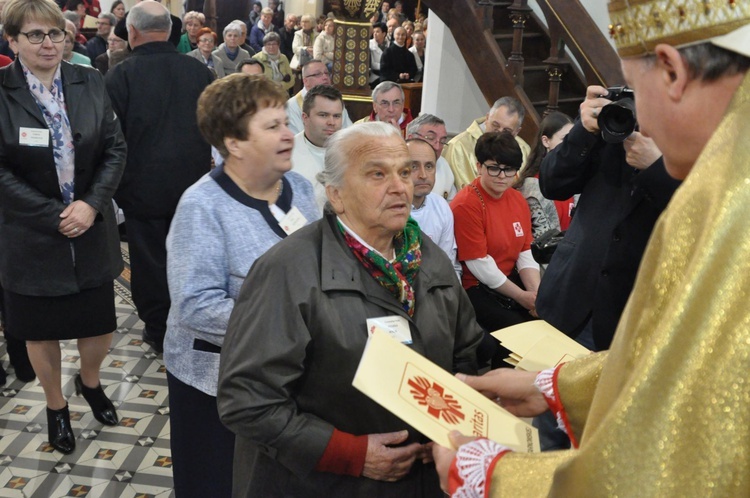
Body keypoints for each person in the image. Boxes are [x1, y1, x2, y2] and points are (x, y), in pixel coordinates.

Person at [433, 4, 750, 497]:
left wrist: (492, 478)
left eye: (633, 87)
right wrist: (559, 388)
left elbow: (678, 459)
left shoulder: (733, 198)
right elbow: (682, 361)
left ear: (671, 71)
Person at [217, 121, 484, 497]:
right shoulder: (288, 271)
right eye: (378, 174)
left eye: (405, 172)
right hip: (323, 483)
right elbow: (247, 401)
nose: (400, 187)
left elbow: (467, 352)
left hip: (423, 479)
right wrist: (352, 454)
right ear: (336, 194)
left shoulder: (427, 257)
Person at [165, 74, 320, 498]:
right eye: (272, 127)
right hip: (217, 383)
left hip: (284, 372)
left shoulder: (300, 189)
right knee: (217, 483)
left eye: (285, 123)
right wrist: (289, 325)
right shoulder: (202, 207)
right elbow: (195, 305)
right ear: (233, 143)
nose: (288, 135)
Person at [0, 0, 126, 454]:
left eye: (56, 33)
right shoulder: (1, 90)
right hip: (30, 234)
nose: (48, 43)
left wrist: (91, 206)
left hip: (90, 226)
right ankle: (56, 406)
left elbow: (115, 149)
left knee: (98, 323)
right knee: (41, 328)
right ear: (12, 41)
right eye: (35, 35)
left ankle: (89, 382)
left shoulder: (89, 80)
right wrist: (54, 213)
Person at [105, 0, 214, 353]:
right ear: (170, 31)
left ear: (132, 32)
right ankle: (193, 323)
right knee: (192, 259)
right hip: (194, 189)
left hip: (141, 192)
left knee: (150, 264)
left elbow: (110, 137)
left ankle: (158, 329)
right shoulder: (199, 72)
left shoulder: (121, 75)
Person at [535, 95, 679, 352]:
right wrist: (583, 130)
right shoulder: (617, 113)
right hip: (569, 293)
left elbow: (704, 216)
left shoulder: (706, 134)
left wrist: (657, 168)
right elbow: (552, 184)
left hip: (630, 313)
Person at [450, 132, 540, 368]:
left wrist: (536, 295)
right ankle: (498, 391)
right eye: (494, 168)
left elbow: (524, 251)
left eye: (509, 169)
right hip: (476, 288)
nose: (502, 176)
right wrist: (522, 297)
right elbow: (480, 264)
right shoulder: (466, 203)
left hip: (508, 279)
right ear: (479, 166)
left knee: (547, 319)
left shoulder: (517, 200)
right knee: (517, 332)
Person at [443, 97, 530, 190]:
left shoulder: (524, 149)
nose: (499, 133)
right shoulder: (458, 146)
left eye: (506, 131)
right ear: (487, 118)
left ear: (517, 131)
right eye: (495, 125)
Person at [514, 111, 574, 239]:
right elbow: (541, 237)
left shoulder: (575, 181)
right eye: (564, 139)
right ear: (546, 141)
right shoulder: (532, 187)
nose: (572, 146)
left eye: (573, 139)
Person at [406, 138, 460, 279]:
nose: (423, 175)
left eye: (429, 166)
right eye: (414, 166)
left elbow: (448, 264)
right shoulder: (385, 209)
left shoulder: (441, 206)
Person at [291, 84, 345, 212]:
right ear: (305, 118)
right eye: (323, 115)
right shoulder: (286, 155)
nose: (331, 122)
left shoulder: (352, 151)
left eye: (337, 116)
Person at [286, 59, 353, 135]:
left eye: (326, 73)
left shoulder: (336, 101)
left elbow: (349, 131)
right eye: (318, 74)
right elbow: (297, 138)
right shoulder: (291, 106)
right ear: (305, 81)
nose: (325, 77)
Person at [405, 113, 456, 200]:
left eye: (442, 141)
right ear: (411, 138)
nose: (437, 147)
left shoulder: (444, 165)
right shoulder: (396, 164)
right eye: (430, 138)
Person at [368, 21, 388, 87]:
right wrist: (385, 66)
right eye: (374, 32)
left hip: (386, 75)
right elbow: (372, 64)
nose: (375, 34)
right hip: (374, 77)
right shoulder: (369, 45)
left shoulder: (388, 45)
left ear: (384, 34)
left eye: (377, 32)